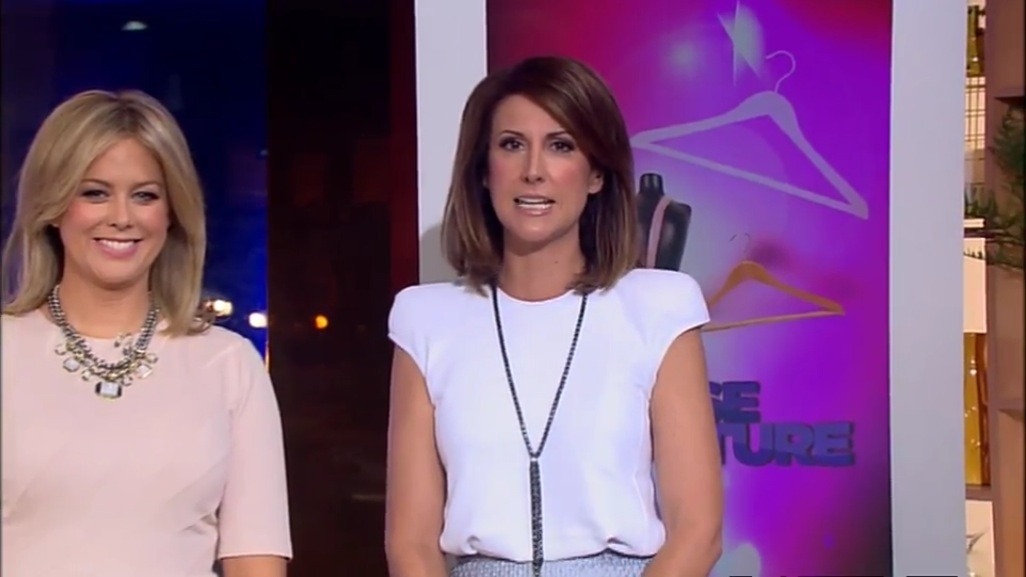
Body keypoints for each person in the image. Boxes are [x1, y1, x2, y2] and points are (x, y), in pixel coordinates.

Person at [384, 56, 723, 577]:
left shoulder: (660, 306)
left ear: (596, 174)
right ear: (483, 170)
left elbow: (698, 532)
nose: (533, 170)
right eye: (511, 144)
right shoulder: (425, 318)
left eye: (561, 146)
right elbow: (410, 544)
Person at [0, 90, 292, 577]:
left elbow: (256, 558)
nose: (122, 216)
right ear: (52, 205)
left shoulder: (227, 364)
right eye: (94, 193)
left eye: (145, 195)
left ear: (172, 211)